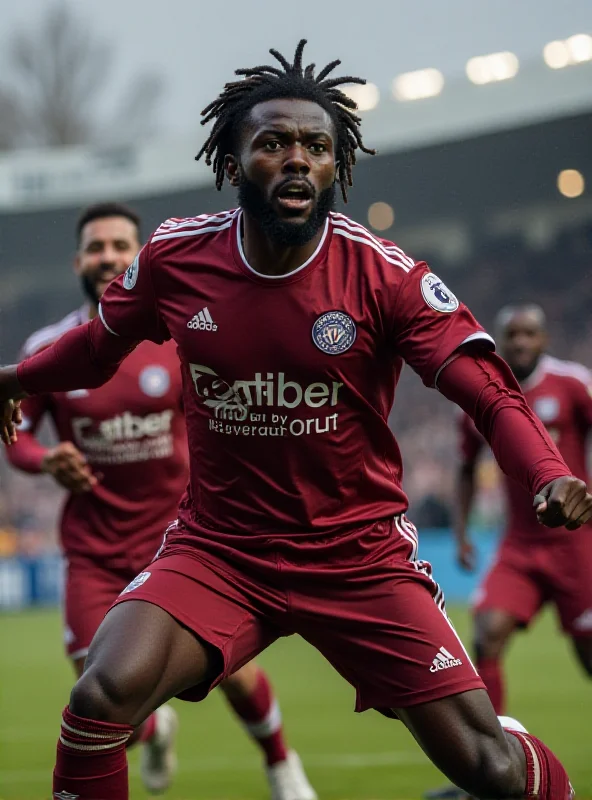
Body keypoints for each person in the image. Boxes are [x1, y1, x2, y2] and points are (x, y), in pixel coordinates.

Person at [0, 40, 589, 800]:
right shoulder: (178, 259)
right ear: (233, 160)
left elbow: (486, 388)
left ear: (337, 166)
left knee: (489, 770)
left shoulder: (383, 273)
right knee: (98, 698)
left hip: (357, 555)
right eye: (272, 143)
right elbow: (91, 350)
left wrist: (548, 470)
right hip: (222, 549)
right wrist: (17, 378)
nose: (297, 160)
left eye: (317, 146)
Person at [5, 202, 315, 800]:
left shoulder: (179, 335)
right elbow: (14, 431)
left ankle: (281, 765)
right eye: (96, 248)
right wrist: (47, 461)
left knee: (234, 672)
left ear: (140, 256)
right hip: (94, 553)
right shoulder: (51, 346)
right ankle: (155, 730)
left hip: (182, 542)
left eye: (121, 246)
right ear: (78, 261)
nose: (108, 258)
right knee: (100, 697)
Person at [424, 304, 592, 800]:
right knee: (485, 635)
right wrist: (460, 533)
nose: (520, 343)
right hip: (519, 545)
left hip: (576, 547)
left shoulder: (573, 383)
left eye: (529, 334)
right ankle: (488, 772)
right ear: (497, 340)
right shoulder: (481, 396)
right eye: (512, 336)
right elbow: (463, 469)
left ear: (544, 339)